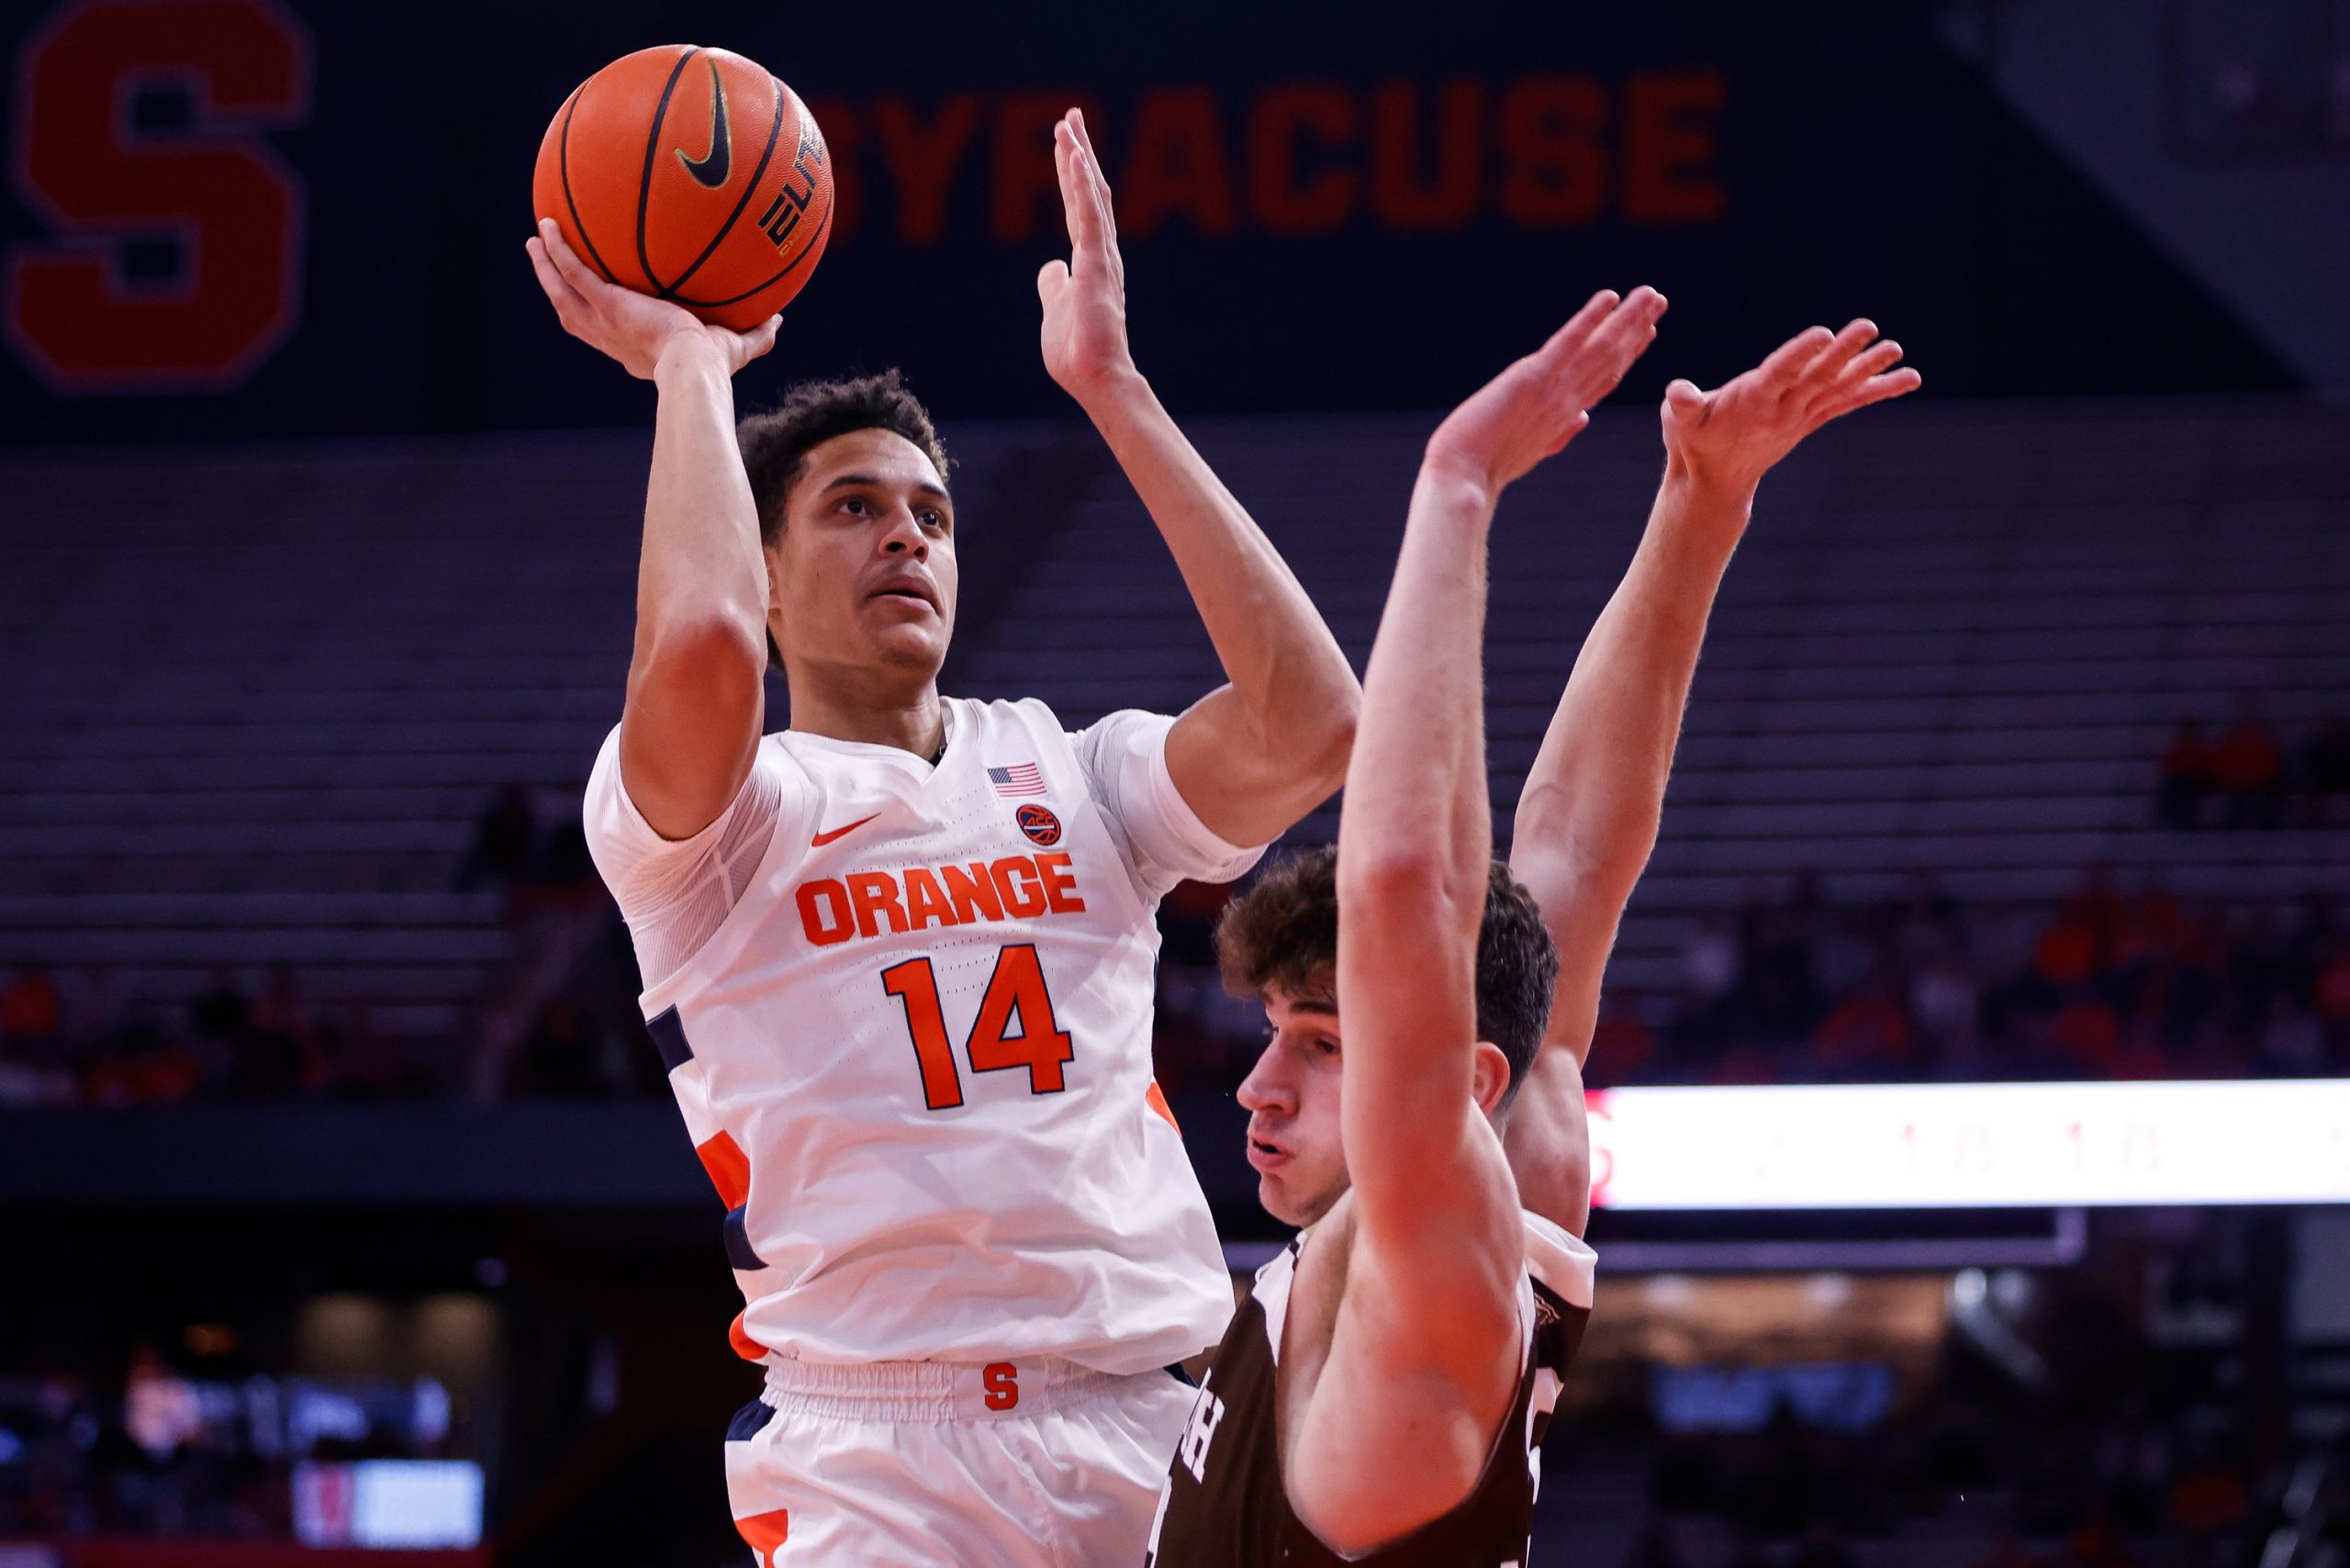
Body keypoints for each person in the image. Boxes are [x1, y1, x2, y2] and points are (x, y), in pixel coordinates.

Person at [524, 109, 1360, 1564]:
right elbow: (706, 641)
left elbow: (1314, 728)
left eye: (931, 513)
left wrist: (1116, 392)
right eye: (853, 509)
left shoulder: (1075, 771)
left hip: (1162, 1418)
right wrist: (688, 371)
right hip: (877, 1451)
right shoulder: (715, 827)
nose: (907, 537)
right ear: (770, 571)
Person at [1147, 299, 1919, 1566]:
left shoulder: (1423, 1306)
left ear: (1466, 1081)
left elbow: (1411, 890)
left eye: (1328, 1041)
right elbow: (1566, 850)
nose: (1259, 1085)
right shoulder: (1524, 1156)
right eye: (1282, 1032)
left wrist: (1457, 489)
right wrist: (1700, 505)